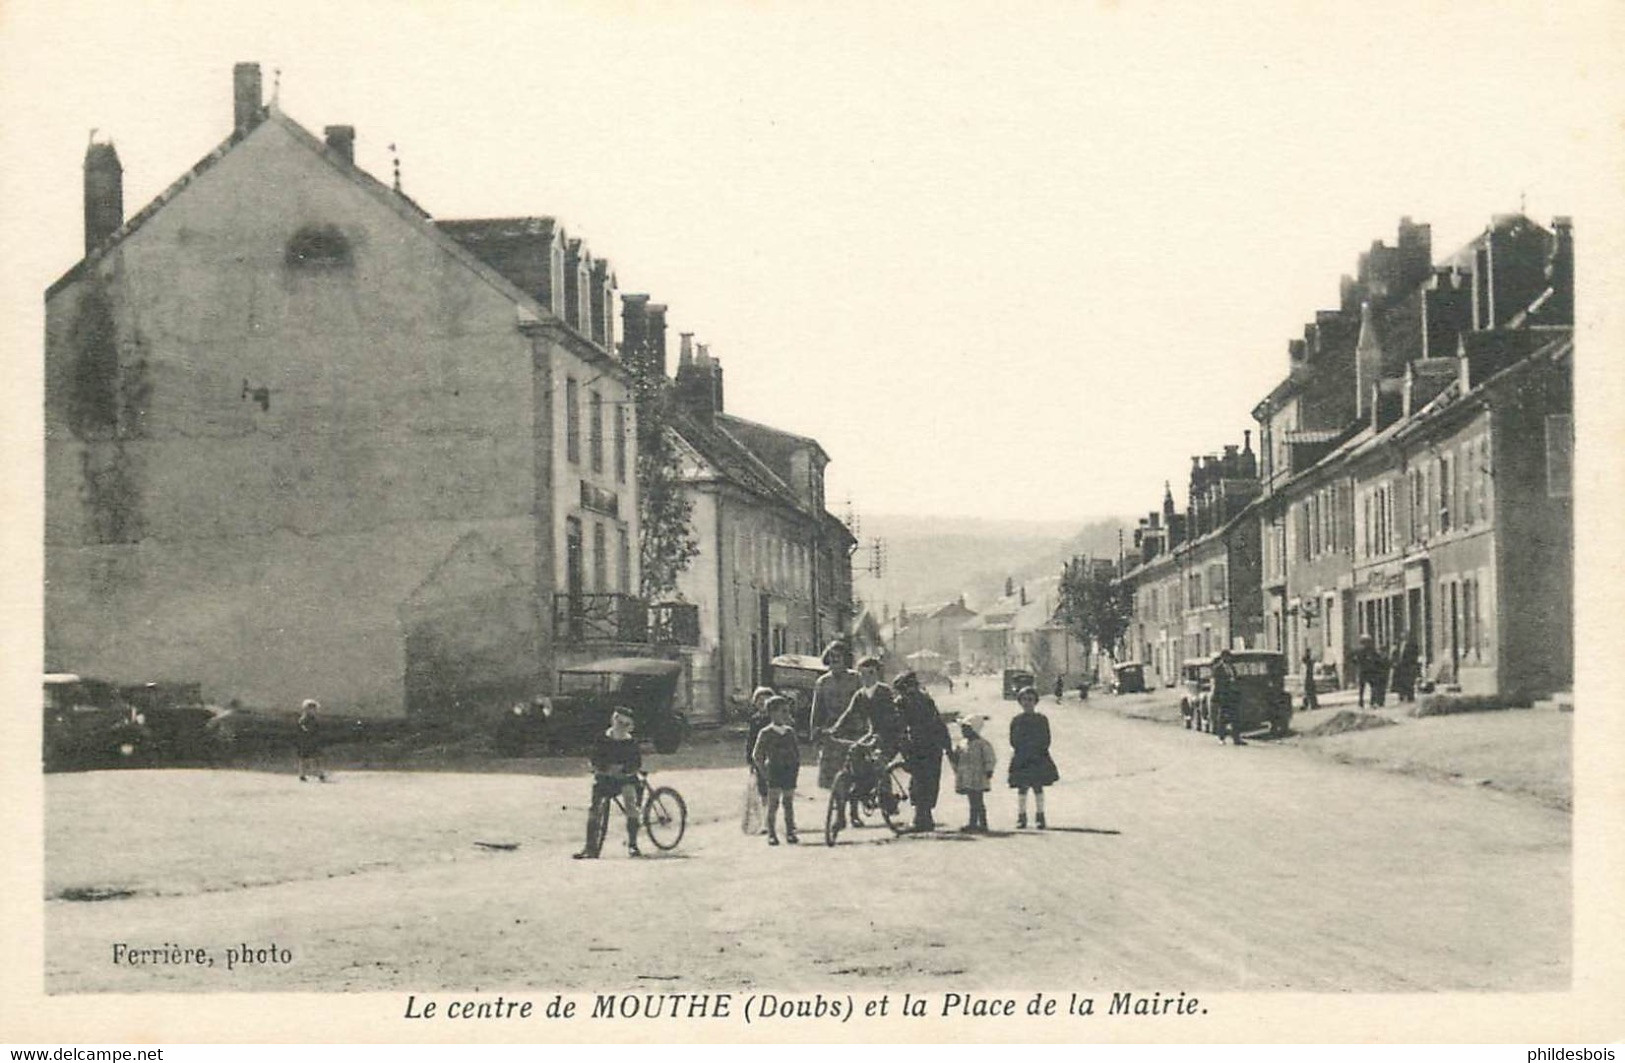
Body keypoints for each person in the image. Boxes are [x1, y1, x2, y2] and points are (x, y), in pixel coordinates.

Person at [826, 656, 901, 829]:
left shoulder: (885, 692)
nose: (866, 677)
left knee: (880, 762)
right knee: (854, 754)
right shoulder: (860, 695)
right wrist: (834, 729)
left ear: (877, 674)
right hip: (872, 733)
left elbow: (891, 718)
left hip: (889, 736)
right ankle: (859, 796)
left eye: (870, 673)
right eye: (863, 674)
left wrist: (879, 737)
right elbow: (849, 713)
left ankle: (887, 799)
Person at [574, 707, 643, 860]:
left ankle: (632, 844)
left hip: (625, 779)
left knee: (630, 802)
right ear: (613, 720)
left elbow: (636, 762)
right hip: (606, 778)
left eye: (625, 724)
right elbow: (594, 758)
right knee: (594, 807)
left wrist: (625, 770)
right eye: (619, 722)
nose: (621, 727)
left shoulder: (630, 742)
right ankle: (590, 846)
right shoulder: (602, 739)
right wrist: (601, 767)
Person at [893, 671, 952, 832]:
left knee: (920, 781)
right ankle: (925, 817)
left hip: (919, 746)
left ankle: (921, 819)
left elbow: (900, 727)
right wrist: (947, 746)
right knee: (928, 781)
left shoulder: (905, 702)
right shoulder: (925, 699)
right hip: (931, 746)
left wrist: (902, 747)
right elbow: (939, 723)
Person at [810, 641, 862, 794]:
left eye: (838, 656)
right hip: (832, 730)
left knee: (854, 771)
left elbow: (864, 705)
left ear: (846, 658)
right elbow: (817, 709)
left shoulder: (856, 679)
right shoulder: (823, 682)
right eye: (831, 656)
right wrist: (815, 732)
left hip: (854, 729)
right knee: (835, 777)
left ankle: (853, 809)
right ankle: (839, 813)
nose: (834, 660)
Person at [751, 696, 801, 845]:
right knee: (773, 804)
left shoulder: (790, 732)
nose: (786, 715)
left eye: (787, 712)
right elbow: (757, 755)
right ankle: (772, 834)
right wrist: (764, 772)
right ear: (772, 713)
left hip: (789, 771)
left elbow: (796, 752)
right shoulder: (766, 733)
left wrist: (796, 768)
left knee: (788, 803)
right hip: (774, 770)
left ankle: (790, 831)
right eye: (783, 711)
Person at [1008, 687, 1060, 829]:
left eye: (1030, 700)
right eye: (1024, 699)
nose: (1027, 703)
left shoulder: (1041, 719)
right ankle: (1021, 816)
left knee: (1038, 787)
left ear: (1035, 702)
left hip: (1037, 756)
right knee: (1022, 788)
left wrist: (1037, 750)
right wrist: (1022, 749)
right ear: (1020, 702)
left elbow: (1046, 739)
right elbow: (1013, 740)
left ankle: (1040, 816)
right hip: (1022, 757)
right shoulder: (1016, 720)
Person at [950, 715, 997, 833]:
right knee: (972, 800)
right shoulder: (962, 743)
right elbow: (957, 757)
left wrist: (989, 769)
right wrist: (953, 758)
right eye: (963, 729)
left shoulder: (982, 744)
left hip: (978, 776)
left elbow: (990, 757)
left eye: (966, 729)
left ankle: (982, 823)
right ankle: (973, 823)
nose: (963, 731)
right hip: (967, 776)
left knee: (978, 800)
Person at [1212, 649, 1245, 746]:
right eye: (1227, 657)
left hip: (1233, 696)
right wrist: (1217, 697)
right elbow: (1217, 684)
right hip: (1224, 696)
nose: (1228, 659)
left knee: (1236, 717)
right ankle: (1221, 738)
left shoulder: (1232, 667)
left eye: (1229, 657)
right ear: (1223, 658)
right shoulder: (1218, 668)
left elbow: (1235, 679)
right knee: (1223, 718)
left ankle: (1236, 738)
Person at [296, 699, 327, 782]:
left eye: (314, 709)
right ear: (306, 710)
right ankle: (302, 774)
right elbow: (303, 728)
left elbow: (318, 729)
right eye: (312, 709)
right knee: (303, 759)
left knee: (318, 758)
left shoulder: (315, 720)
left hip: (314, 741)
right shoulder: (303, 720)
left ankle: (321, 774)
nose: (314, 711)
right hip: (305, 742)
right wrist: (307, 731)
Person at [1353, 634, 1383, 709]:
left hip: (1363, 670)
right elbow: (1378, 658)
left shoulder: (1358, 650)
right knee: (1373, 686)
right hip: (1370, 671)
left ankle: (1361, 702)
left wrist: (1356, 663)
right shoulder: (1371, 650)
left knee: (1362, 687)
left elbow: (1351, 657)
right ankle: (1371, 702)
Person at [1393, 633, 1421, 702]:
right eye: (1402, 636)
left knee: (1409, 682)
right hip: (1400, 667)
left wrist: (1412, 663)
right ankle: (1401, 696)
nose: (1403, 637)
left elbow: (1415, 655)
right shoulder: (1398, 645)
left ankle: (1410, 697)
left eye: (1404, 636)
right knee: (1400, 682)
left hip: (1408, 666)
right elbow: (1396, 654)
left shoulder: (1412, 645)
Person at [1301, 647, 1320, 713]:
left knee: (1309, 692)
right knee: (1309, 692)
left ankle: (1311, 704)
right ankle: (1309, 704)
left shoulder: (1308, 661)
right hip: (1308, 678)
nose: (1309, 653)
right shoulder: (1307, 660)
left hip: (1309, 678)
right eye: (1308, 652)